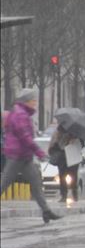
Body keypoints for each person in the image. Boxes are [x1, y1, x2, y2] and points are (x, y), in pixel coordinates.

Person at [0, 88, 61, 223]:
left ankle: (46, 211)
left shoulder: (20, 112)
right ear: (26, 101)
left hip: (23, 155)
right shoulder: (20, 114)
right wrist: (39, 152)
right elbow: (25, 137)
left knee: (36, 183)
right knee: (4, 183)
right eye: (33, 100)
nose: (35, 103)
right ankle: (46, 211)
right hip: (17, 154)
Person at [49, 126, 82, 202]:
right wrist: (58, 140)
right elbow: (54, 146)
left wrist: (75, 140)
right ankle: (64, 195)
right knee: (62, 177)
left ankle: (74, 194)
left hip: (73, 158)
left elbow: (81, 145)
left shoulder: (77, 133)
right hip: (62, 158)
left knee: (73, 177)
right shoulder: (60, 130)